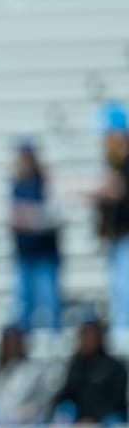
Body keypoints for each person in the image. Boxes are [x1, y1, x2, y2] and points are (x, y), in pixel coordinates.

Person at [10, 140, 62, 330]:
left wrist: (33, 218)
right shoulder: (15, 184)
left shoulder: (45, 182)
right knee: (24, 300)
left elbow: (55, 214)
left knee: (48, 299)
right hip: (24, 252)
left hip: (45, 253)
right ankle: (24, 338)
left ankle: (53, 336)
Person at [52, 314, 128, 425]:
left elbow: (117, 402)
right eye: (83, 334)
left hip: (106, 419)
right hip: (81, 420)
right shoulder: (76, 365)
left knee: (113, 421)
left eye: (90, 335)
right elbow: (67, 394)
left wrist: (94, 419)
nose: (86, 339)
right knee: (64, 412)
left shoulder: (115, 367)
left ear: (99, 337)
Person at [93, 102, 129, 331]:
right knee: (118, 288)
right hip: (117, 235)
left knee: (125, 287)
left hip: (126, 235)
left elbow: (116, 189)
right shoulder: (113, 162)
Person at [0, 325, 51, 427]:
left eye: (15, 341)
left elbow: (41, 405)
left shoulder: (33, 370)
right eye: (8, 341)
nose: (11, 345)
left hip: (23, 426)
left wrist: (21, 414)